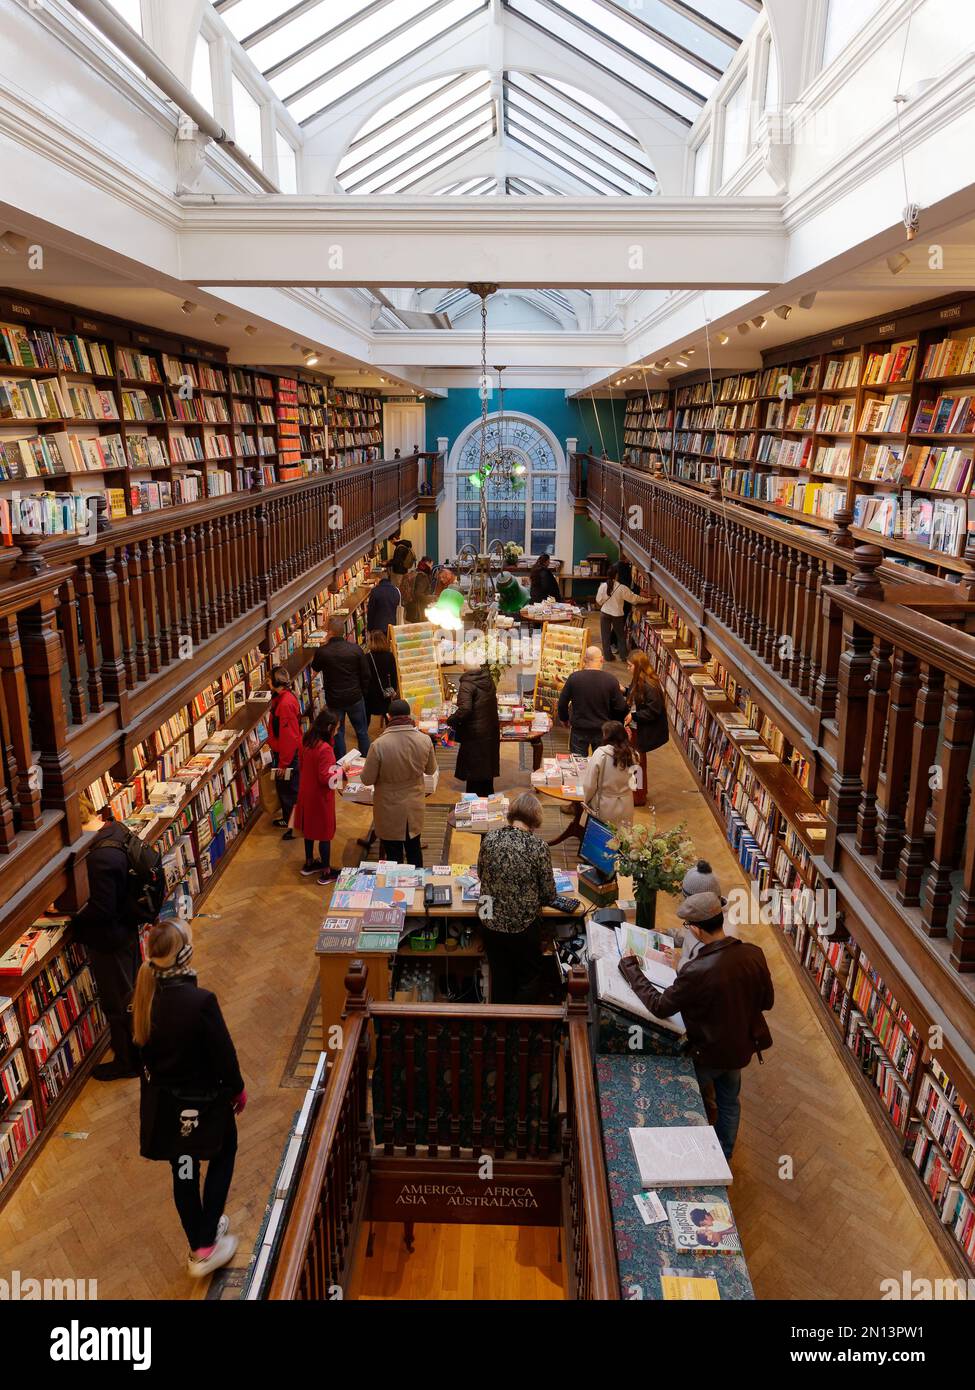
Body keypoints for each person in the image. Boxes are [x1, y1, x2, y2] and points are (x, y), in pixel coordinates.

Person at [618, 892, 774, 1160]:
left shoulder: (698, 970)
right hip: (739, 1048)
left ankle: (689, 1156)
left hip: (707, 1052)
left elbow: (659, 1006)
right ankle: (724, 1155)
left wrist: (631, 968)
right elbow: (767, 1001)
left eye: (687, 926)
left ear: (697, 929)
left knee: (686, 1102)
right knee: (729, 1102)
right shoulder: (753, 954)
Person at [133, 919, 246, 1279]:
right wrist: (237, 1089)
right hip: (205, 1105)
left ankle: (199, 1242)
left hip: (168, 1111)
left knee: (183, 1171)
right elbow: (224, 1055)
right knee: (223, 1154)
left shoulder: (142, 1000)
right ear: (185, 955)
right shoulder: (200, 1002)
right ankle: (206, 1242)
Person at [72, 795, 141, 1080]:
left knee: (119, 1003)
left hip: (110, 940)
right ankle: (136, 1049)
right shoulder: (115, 828)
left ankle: (128, 1062)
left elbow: (101, 909)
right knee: (132, 993)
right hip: (128, 929)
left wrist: (69, 913)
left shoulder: (98, 856)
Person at [477, 793, 557, 1004]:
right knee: (529, 976)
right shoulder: (539, 847)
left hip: (489, 921)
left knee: (500, 975)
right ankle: (521, 1024)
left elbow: (480, 873)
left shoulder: (489, 839)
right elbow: (549, 895)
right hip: (523, 927)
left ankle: (501, 1027)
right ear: (534, 820)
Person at [359, 698, 436, 868]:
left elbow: (367, 779)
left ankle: (396, 892)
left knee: (393, 855)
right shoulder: (424, 740)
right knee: (414, 849)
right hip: (414, 805)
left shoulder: (378, 745)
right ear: (409, 716)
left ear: (388, 716)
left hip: (388, 807)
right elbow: (431, 770)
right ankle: (417, 888)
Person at [311, 616, 372, 760]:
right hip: (355, 697)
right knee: (362, 732)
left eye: (326, 631)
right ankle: (366, 761)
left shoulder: (323, 652)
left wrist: (324, 645)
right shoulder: (355, 649)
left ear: (330, 633)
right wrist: (362, 692)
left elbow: (315, 667)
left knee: (338, 733)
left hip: (335, 699)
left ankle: (342, 765)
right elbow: (366, 674)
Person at [294, 709, 340, 884]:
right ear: (329, 728)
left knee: (309, 830)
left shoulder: (306, 741)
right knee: (324, 833)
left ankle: (309, 863)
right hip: (320, 797)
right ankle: (326, 872)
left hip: (306, 792)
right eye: (336, 728)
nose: (337, 731)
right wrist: (342, 771)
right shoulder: (325, 749)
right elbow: (326, 778)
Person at [557, 646, 628, 756]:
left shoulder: (574, 678)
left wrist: (564, 719)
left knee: (577, 764)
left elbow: (562, 703)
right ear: (602, 659)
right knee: (600, 763)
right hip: (603, 730)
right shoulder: (611, 680)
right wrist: (612, 723)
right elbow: (620, 707)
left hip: (579, 728)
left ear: (584, 660)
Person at [448, 662, 501, 796]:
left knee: (473, 776)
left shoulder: (467, 684)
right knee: (486, 773)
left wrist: (452, 720)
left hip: (474, 735)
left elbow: (465, 709)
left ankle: (474, 808)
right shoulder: (488, 679)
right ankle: (489, 804)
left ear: (464, 668)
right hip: (489, 731)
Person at [625, 649, 668, 807]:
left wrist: (634, 716)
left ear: (638, 667)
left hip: (641, 730)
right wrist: (625, 690)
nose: (628, 669)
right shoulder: (639, 680)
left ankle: (638, 797)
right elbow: (637, 697)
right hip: (637, 728)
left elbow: (653, 711)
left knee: (637, 764)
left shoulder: (650, 685)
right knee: (636, 762)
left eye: (630, 666)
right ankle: (637, 792)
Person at [583, 720, 637, 828]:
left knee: (603, 837)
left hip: (605, 804)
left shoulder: (601, 754)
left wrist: (586, 800)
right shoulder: (632, 754)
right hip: (626, 804)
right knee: (622, 837)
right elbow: (635, 785)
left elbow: (590, 785)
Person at [268, 666, 301, 839]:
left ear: (275, 682)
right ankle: (289, 820)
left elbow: (289, 738)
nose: (267, 682)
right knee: (286, 790)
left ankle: (294, 827)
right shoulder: (282, 698)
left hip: (287, 757)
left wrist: (283, 764)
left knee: (289, 791)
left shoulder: (285, 704)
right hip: (284, 754)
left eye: (269, 679)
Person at [595, 565, 654, 662]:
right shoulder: (622, 588)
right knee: (620, 636)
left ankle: (608, 657)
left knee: (605, 636)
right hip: (617, 615)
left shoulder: (603, 586)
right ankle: (623, 656)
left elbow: (598, 600)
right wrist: (647, 600)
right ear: (617, 575)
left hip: (604, 613)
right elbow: (634, 599)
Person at [365, 629, 399, 733]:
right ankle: (390, 732)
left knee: (367, 714)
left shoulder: (367, 657)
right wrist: (393, 689)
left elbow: (364, 676)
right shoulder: (389, 656)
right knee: (387, 713)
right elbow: (394, 675)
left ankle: (364, 734)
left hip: (370, 693)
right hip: (385, 692)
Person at [366, 568, 401, 637]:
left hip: (378, 626)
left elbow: (371, 611)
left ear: (378, 579)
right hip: (392, 624)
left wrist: (369, 628)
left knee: (380, 646)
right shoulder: (396, 590)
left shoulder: (375, 591)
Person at [404, 556, 435, 624]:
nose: (431, 568)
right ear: (427, 563)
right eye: (431, 565)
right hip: (418, 612)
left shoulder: (415, 572)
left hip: (410, 608)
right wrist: (432, 599)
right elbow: (418, 594)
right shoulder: (422, 576)